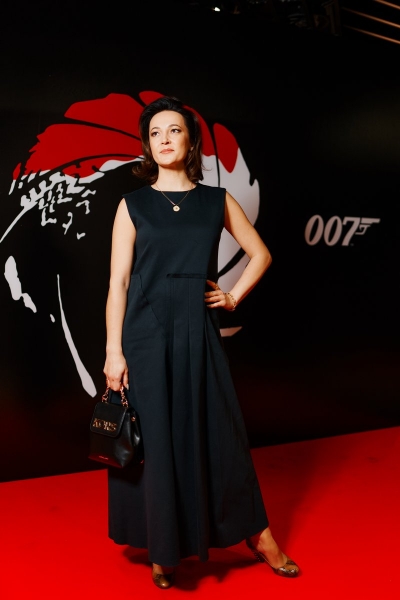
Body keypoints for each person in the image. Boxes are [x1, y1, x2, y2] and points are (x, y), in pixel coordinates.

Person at [103, 95, 299, 589]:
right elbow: (118, 283)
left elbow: (260, 254)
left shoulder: (216, 200)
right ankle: (163, 548)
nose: (164, 139)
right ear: (148, 145)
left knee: (221, 434)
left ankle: (260, 536)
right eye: (155, 133)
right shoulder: (132, 205)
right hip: (145, 334)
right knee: (158, 440)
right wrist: (113, 351)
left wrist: (232, 297)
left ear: (190, 141)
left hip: (198, 328)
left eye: (173, 130)